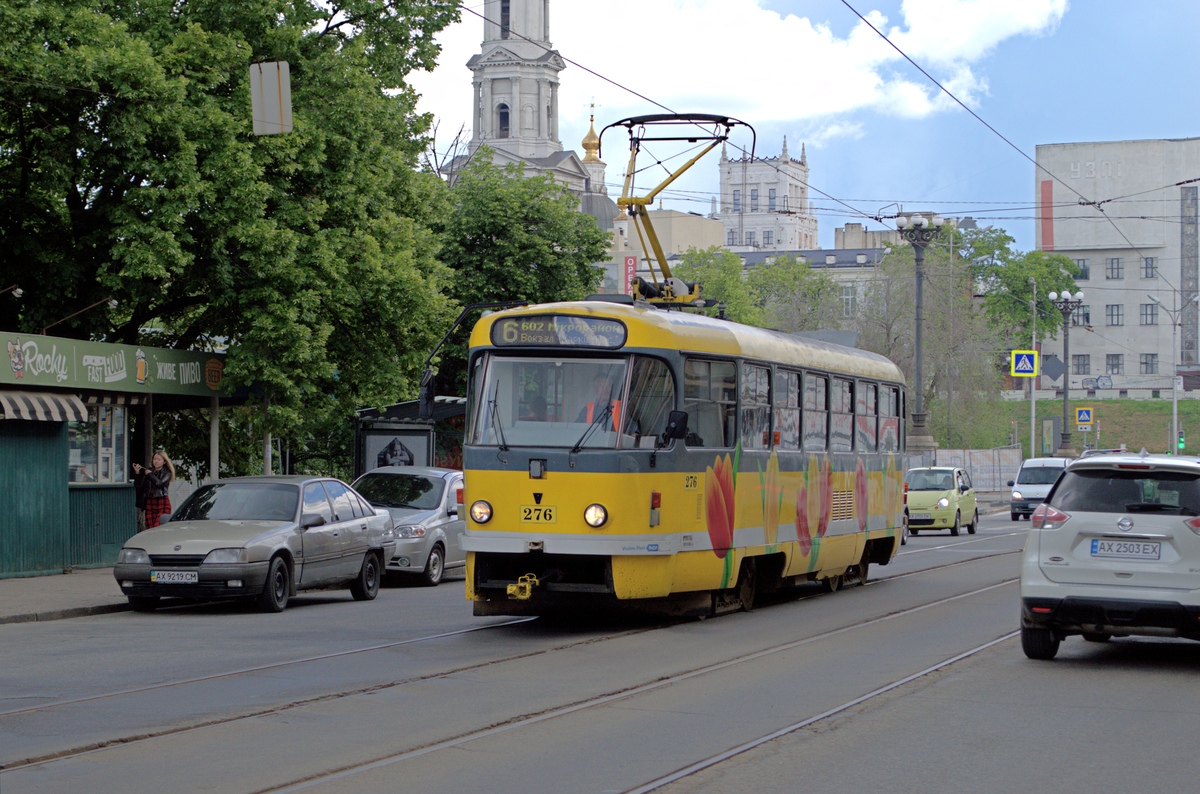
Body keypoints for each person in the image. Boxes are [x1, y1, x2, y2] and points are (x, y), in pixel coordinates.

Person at [135, 450, 175, 529]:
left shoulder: (167, 472)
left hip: (161, 500)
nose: (156, 461)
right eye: (154, 459)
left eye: (159, 460)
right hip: (150, 502)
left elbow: (159, 484)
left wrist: (150, 474)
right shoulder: (149, 470)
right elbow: (139, 485)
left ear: (164, 462)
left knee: (159, 526)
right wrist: (138, 473)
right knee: (150, 528)